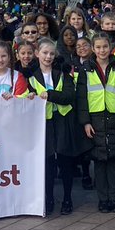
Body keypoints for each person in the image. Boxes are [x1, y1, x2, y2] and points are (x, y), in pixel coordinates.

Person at [77, 33, 115, 213]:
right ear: (93, 49)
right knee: (99, 162)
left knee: (112, 161)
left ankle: (113, 199)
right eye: (98, 47)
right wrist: (85, 122)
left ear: (110, 48)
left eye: (105, 47)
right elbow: (82, 99)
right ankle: (102, 200)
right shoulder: (86, 69)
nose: (102, 50)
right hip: (95, 120)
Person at [30, 39, 81, 215]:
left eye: (52, 54)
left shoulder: (62, 73)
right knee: (48, 163)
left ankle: (68, 198)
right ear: (37, 53)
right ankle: (49, 198)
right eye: (45, 53)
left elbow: (69, 96)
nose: (48, 57)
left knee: (65, 161)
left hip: (63, 121)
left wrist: (50, 94)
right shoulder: (30, 76)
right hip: (43, 123)